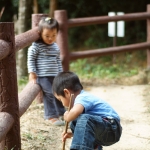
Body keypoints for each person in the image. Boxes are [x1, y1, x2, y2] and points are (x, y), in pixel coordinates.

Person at [52, 71, 122, 150]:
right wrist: (73, 134)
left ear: (67, 92)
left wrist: (67, 117)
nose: (63, 104)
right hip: (104, 130)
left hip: (112, 127)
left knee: (83, 118)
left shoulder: (82, 97)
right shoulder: (81, 99)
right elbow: (87, 128)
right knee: (76, 121)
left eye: (60, 99)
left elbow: (75, 112)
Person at [27, 17, 65, 126]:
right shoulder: (36, 47)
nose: (50, 38)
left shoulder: (55, 46)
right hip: (43, 76)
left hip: (55, 75)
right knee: (50, 94)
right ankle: (51, 116)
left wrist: (61, 73)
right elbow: (31, 59)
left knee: (58, 91)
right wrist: (32, 73)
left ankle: (61, 112)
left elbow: (58, 60)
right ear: (40, 33)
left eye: (54, 35)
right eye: (47, 36)